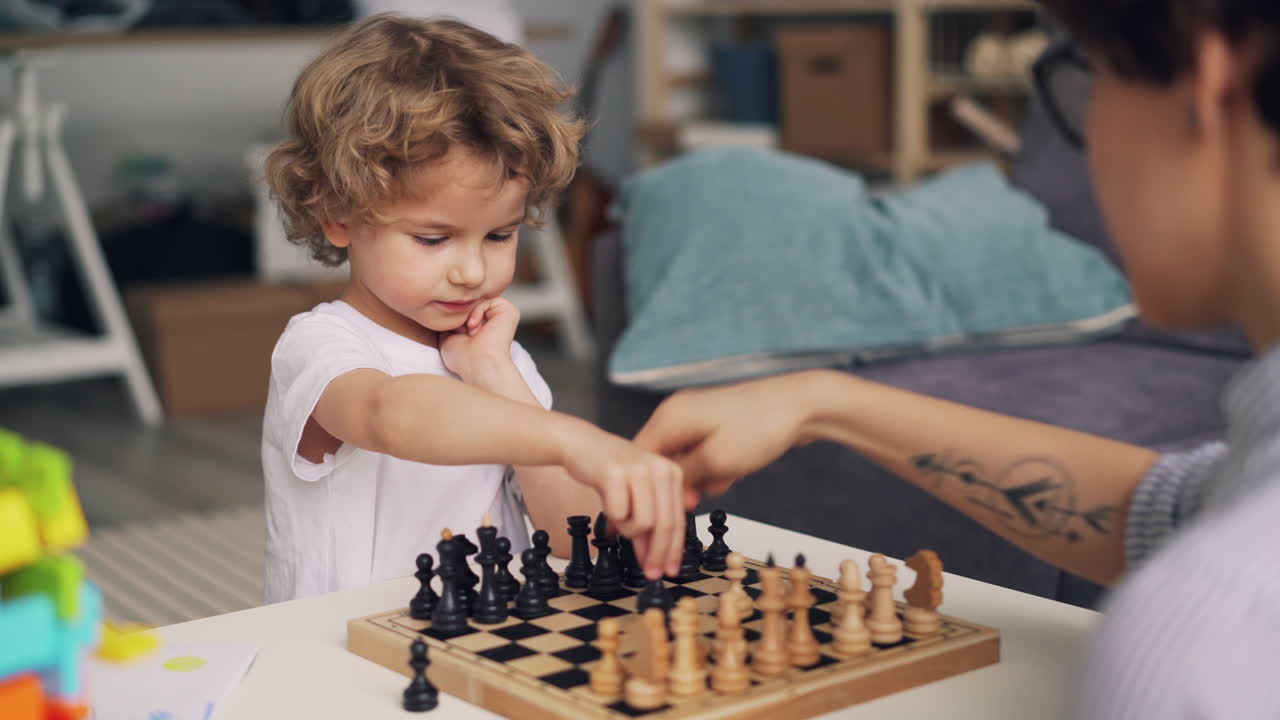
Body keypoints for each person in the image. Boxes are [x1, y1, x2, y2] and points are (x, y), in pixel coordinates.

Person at [635, 1, 1280, 715]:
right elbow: (1173, 509)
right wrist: (820, 400)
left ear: (1211, 81)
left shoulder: (1207, 639)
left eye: (1089, 80)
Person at [260, 15, 685, 603]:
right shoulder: (320, 346)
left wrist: (497, 375)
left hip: (488, 641)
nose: (473, 271)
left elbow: (570, 536)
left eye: (500, 235)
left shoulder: (497, 359)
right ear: (337, 214)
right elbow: (392, 414)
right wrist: (570, 439)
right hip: (346, 656)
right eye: (433, 240)